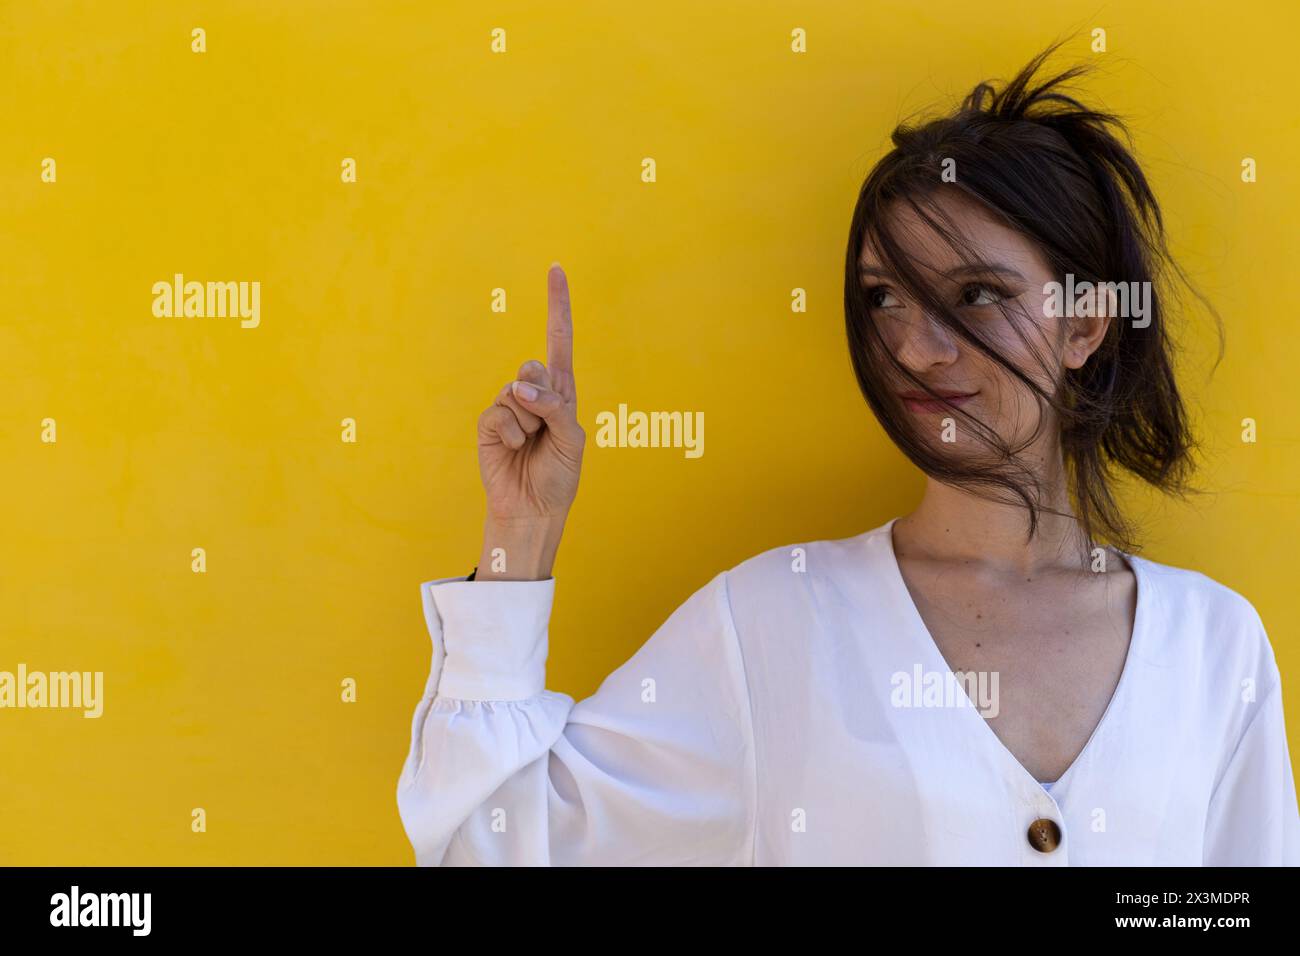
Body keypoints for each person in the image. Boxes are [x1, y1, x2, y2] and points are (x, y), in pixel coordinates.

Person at [395, 43, 1300, 865]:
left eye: (976, 293)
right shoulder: (771, 624)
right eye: (883, 300)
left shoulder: (1214, 650)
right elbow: (492, 847)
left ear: (1087, 323)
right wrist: (520, 533)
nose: (915, 347)